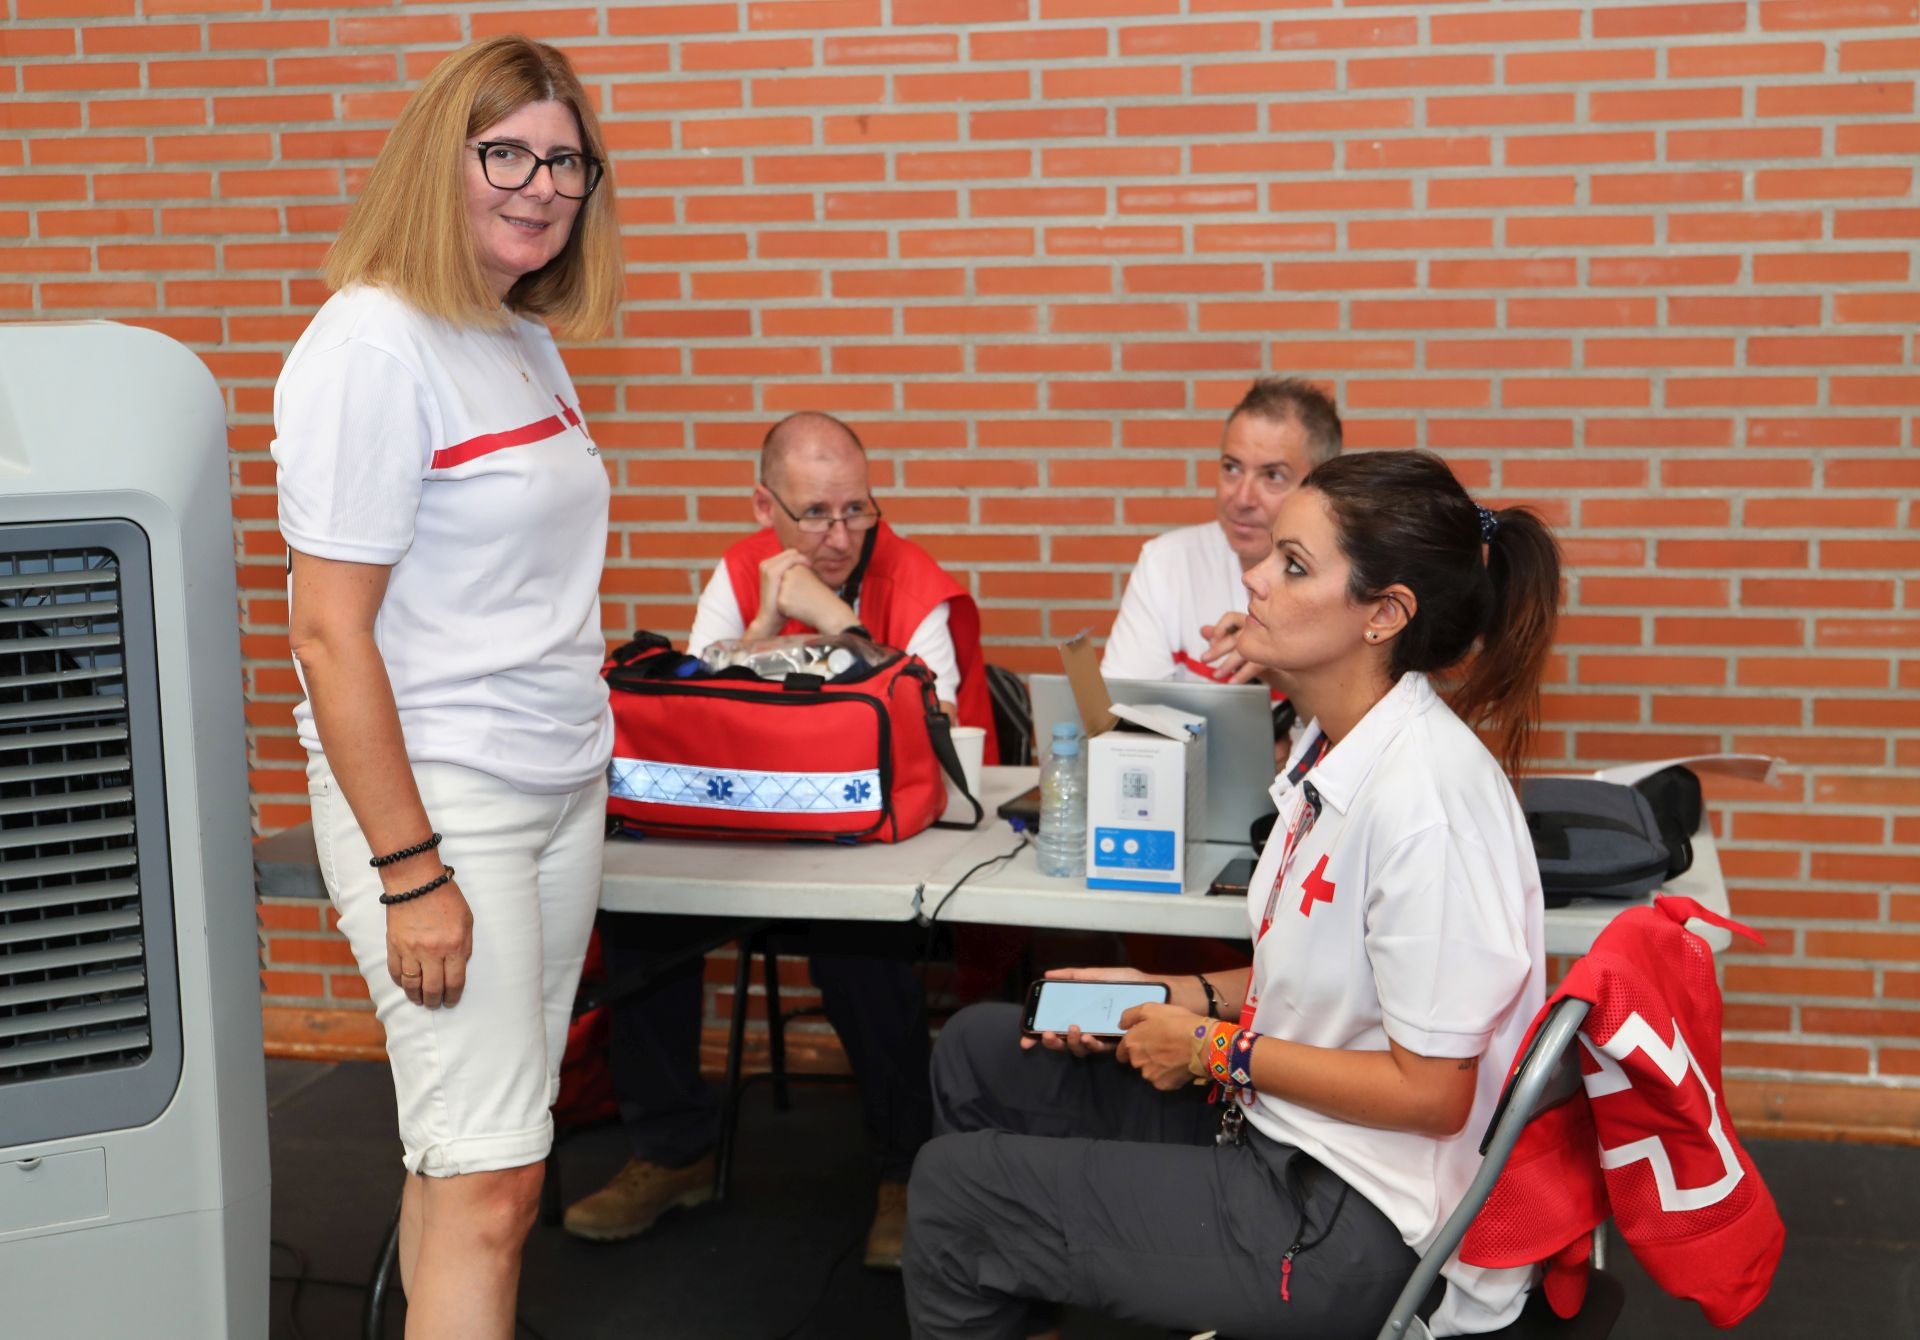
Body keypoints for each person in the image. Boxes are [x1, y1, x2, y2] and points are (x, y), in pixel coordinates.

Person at [904, 449, 1563, 1340]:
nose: (1252, 576)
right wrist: (1165, 998)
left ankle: (1019, 1258)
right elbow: (1317, 987)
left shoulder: (1427, 801)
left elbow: (1433, 1095)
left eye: (1292, 565)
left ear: (1384, 614)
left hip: (1358, 1222)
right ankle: (1034, 1287)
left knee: (954, 1199)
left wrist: (1214, 1051)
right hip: (1286, 1131)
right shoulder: (1328, 749)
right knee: (980, 1048)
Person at [272, 35, 621, 1339]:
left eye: (565, 160)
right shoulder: (371, 344)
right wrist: (412, 868)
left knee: (470, 1157)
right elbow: (326, 636)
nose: (540, 184)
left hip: (553, 788)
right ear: (442, 159)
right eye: (507, 153)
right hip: (444, 806)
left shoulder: (514, 333)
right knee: (493, 1186)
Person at [564, 412, 998, 1269]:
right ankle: (673, 1150)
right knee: (645, 922)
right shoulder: (738, 572)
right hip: (750, 827)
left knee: (861, 944)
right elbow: (697, 707)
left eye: (858, 510)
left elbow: (939, 729)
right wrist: (765, 624)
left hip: (870, 844)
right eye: (815, 514)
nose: (840, 534)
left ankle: (907, 1170)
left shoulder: (918, 583)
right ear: (765, 505)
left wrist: (831, 615)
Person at [1100, 377, 1342, 685]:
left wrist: (1287, 679)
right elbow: (1123, 712)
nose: (1242, 499)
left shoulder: (1348, 580)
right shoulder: (1167, 562)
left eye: (1273, 475)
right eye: (1232, 468)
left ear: (1320, 485)